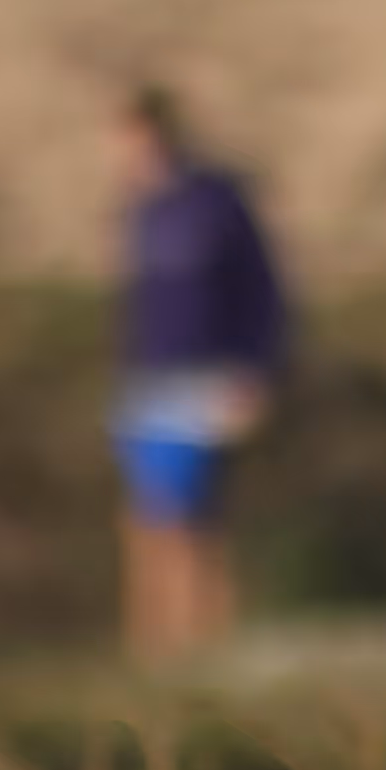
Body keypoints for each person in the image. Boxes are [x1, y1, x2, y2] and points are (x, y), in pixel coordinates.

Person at [109, 85, 285, 664]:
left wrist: (256, 371)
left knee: (191, 522)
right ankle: (151, 651)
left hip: (209, 380)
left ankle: (203, 652)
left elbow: (264, 293)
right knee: (144, 520)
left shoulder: (215, 203)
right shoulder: (138, 209)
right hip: (144, 380)